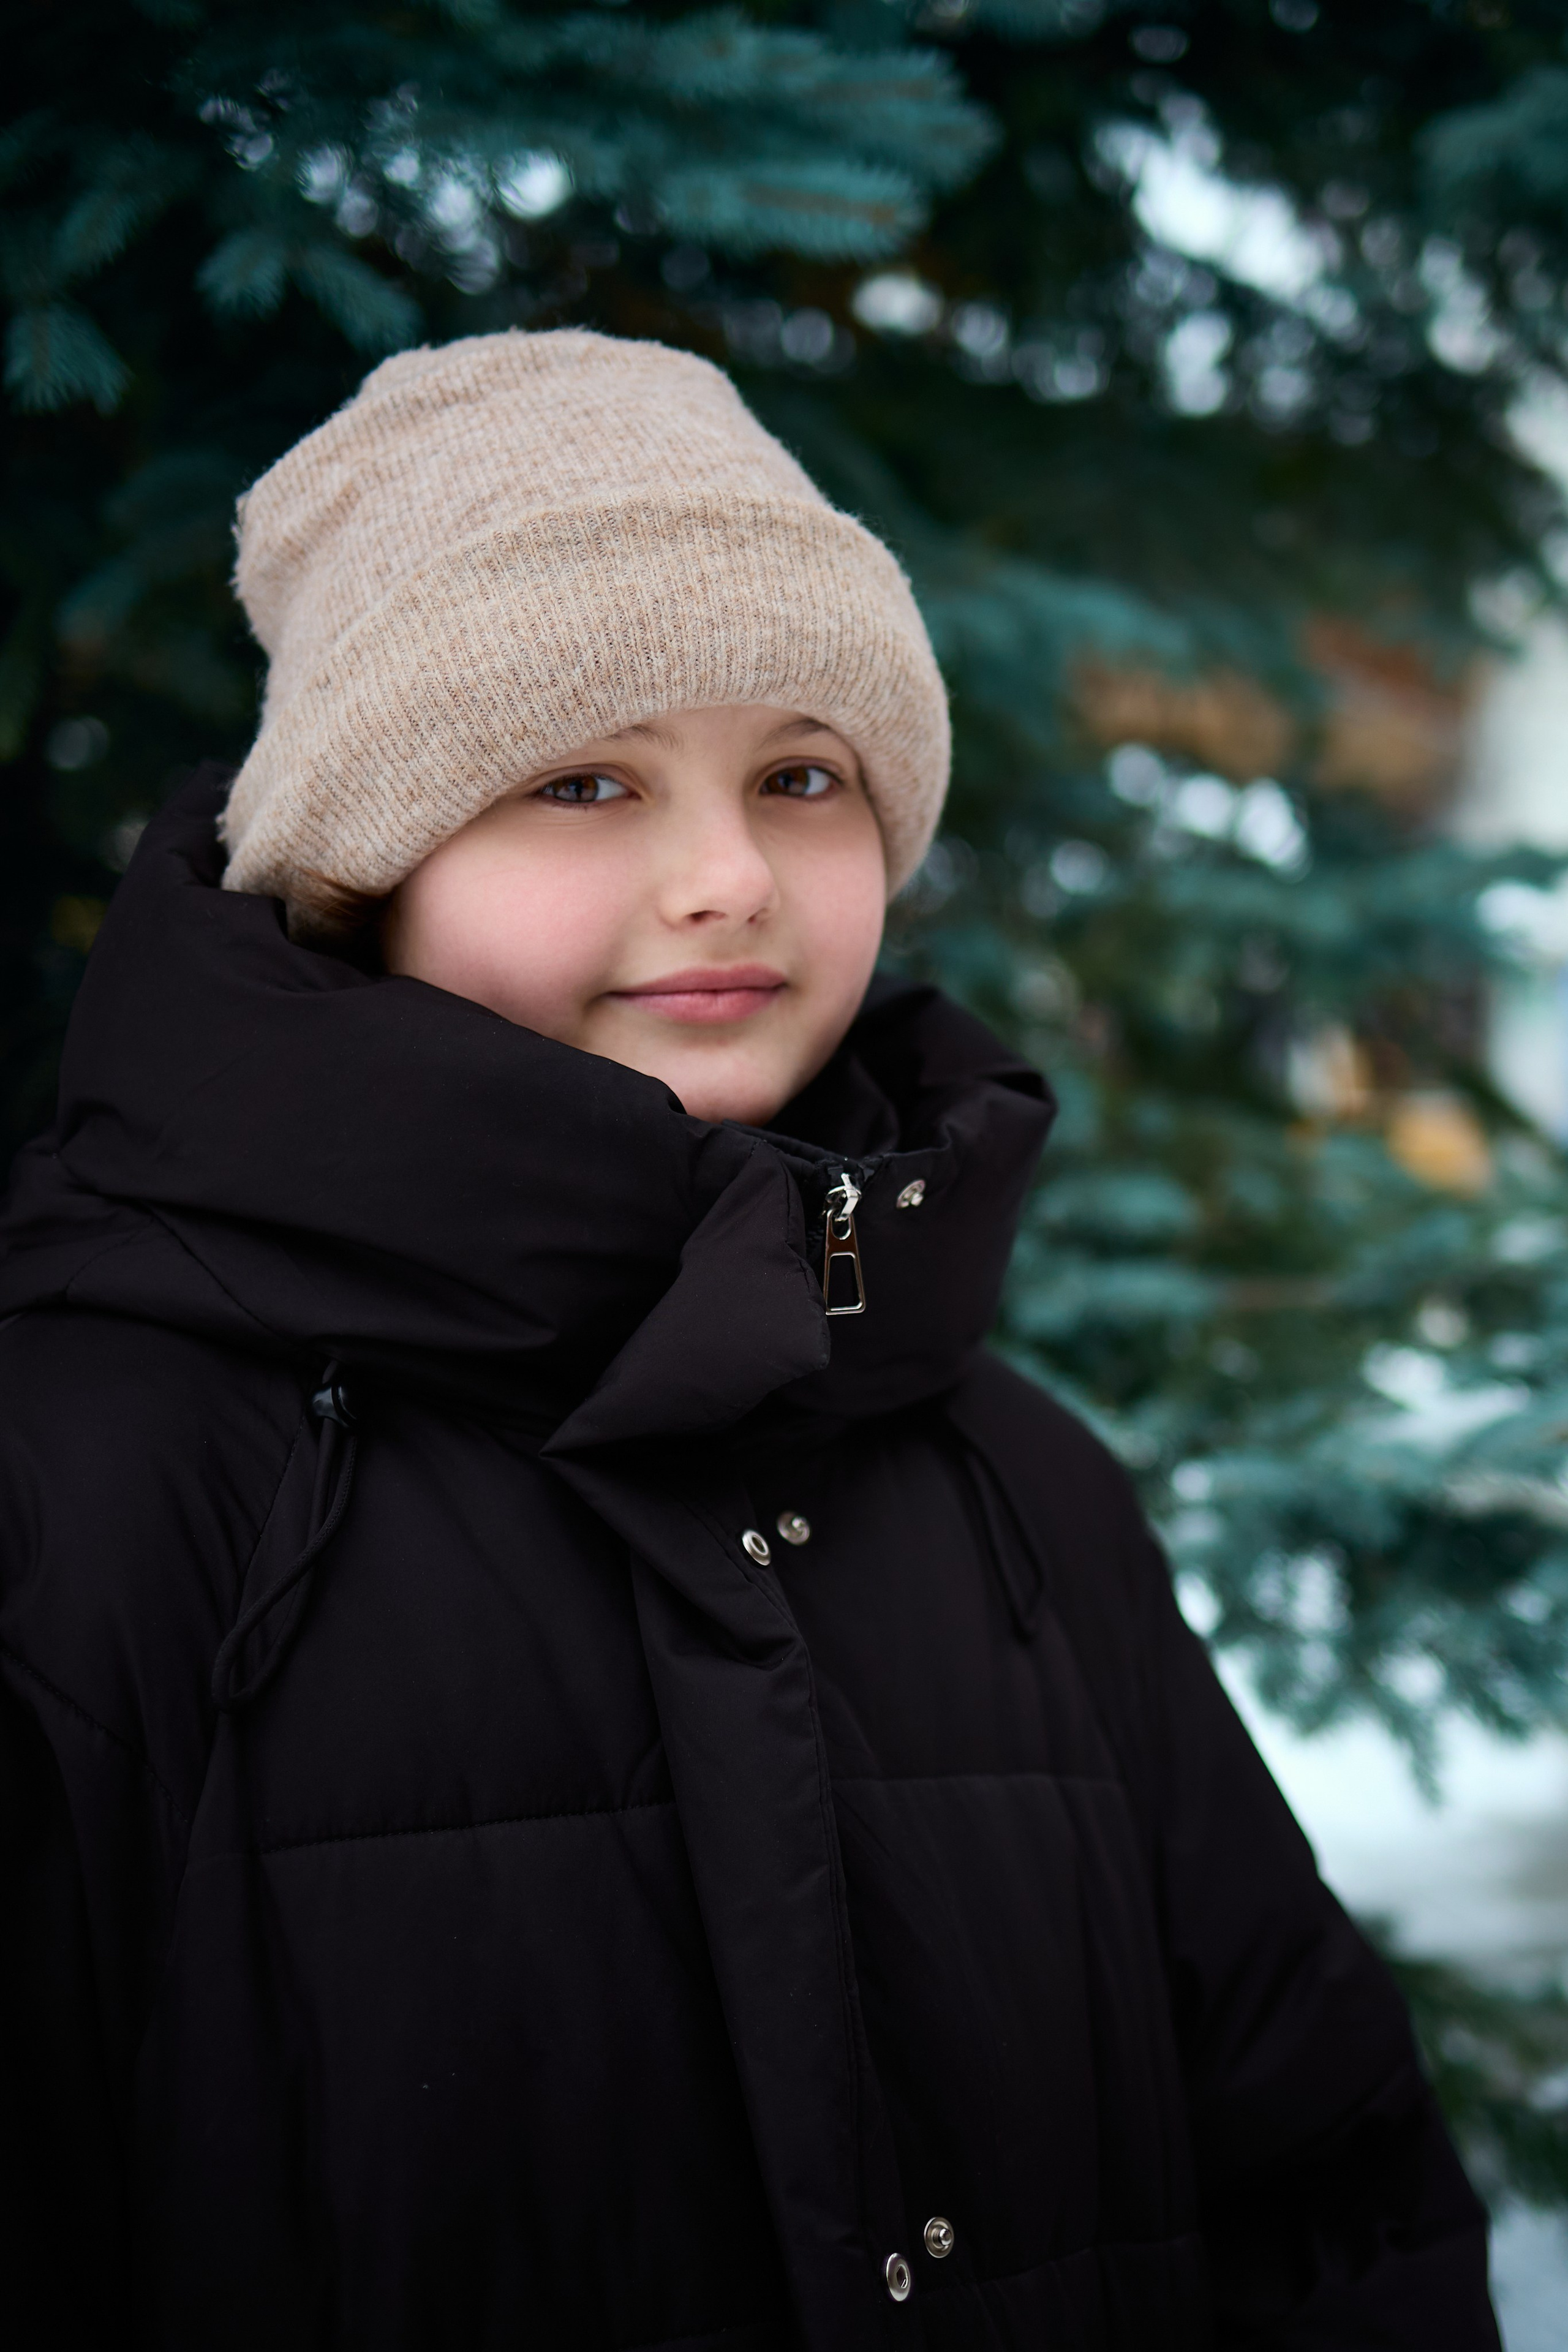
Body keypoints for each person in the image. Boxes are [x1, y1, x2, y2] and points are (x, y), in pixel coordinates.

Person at [0, 330, 1498, 2351]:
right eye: (582, 780)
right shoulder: (94, 1487)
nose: (725, 880)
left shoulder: (1017, 1487)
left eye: (801, 777)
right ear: (369, 866)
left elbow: (1329, 2206)